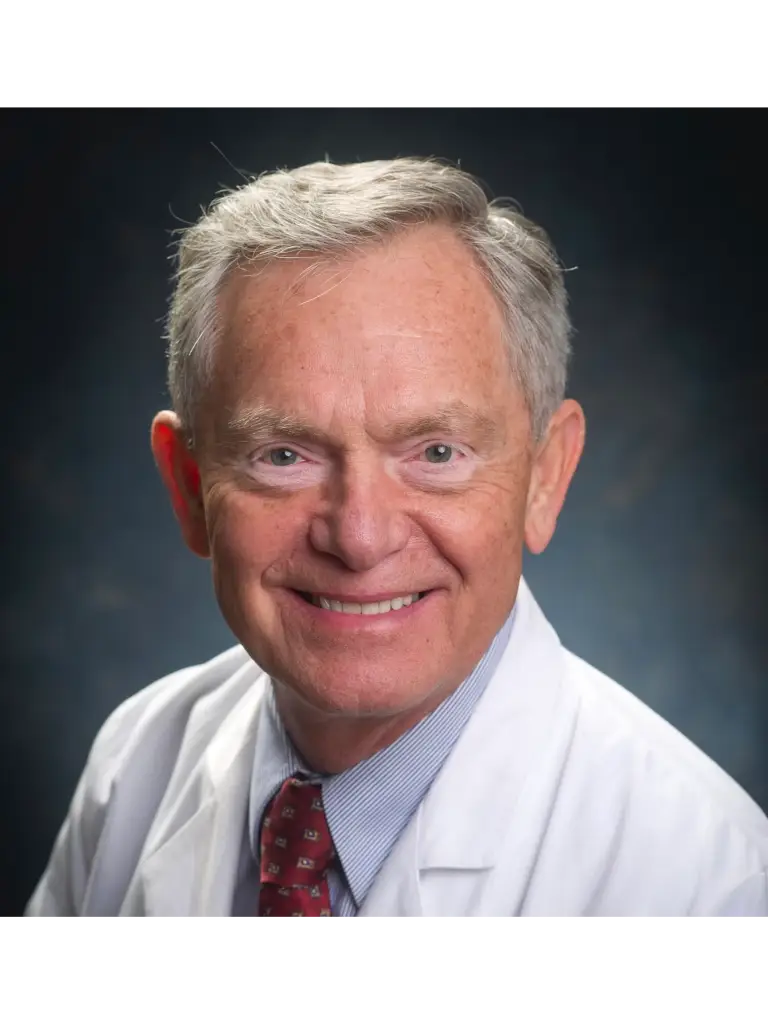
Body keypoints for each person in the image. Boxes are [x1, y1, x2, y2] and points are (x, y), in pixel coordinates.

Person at [26, 157, 768, 921]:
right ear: (189, 486)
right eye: (284, 456)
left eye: (437, 452)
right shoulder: (135, 766)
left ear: (544, 477)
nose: (360, 537)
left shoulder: (708, 882)